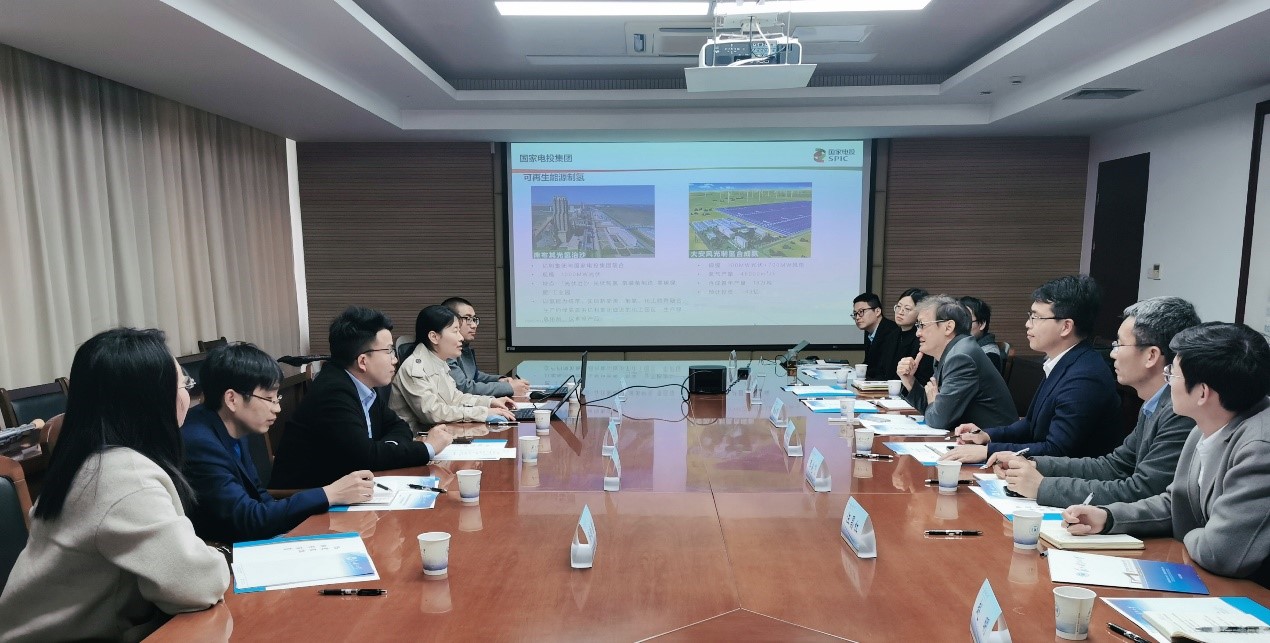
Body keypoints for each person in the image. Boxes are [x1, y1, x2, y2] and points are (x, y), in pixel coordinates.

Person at [0, 328, 229, 642]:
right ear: (151, 399)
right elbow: (197, 585)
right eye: (183, 384)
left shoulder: (89, 460)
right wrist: (220, 557)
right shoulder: (123, 476)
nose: (187, 395)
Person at [1063, 322, 1270, 587]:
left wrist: (1192, 530)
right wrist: (1108, 517)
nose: (1167, 380)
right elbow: (1177, 503)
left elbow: (1220, 552)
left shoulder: (1259, 448)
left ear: (1202, 393)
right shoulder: (1205, 426)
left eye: (1172, 373)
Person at [988, 297, 1200, 506]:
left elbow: (1142, 490)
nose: (1113, 353)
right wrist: (1034, 464)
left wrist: (1042, 487)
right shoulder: (1153, 403)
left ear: (1151, 355)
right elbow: (1114, 466)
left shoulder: (1180, 411)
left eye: (1120, 344)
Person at [181, 343, 375, 543]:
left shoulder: (232, 424)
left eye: (277, 397)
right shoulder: (200, 443)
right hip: (222, 551)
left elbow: (259, 496)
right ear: (232, 399)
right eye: (269, 398)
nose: (277, 408)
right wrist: (330, 494)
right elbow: (248, 520)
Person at [270, 307, 453, 490]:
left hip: (351, 488)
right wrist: (428, 447)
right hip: (308, 498)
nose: (395, 359)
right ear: (363, 361)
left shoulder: (364, 387)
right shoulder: (333, 392)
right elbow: (365, 458)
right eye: (389, 351)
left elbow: (399, 427)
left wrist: (382, 449)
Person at [943, 275, 1121, 462]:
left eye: (1036, 317)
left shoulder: (1084, 377)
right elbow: (1030, 424)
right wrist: (987, 436)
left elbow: (1056, 449)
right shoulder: (1064, 361)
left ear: (1066, 326)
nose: (1028, 324)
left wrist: (988, 451)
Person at [896, 295, 1016, 431]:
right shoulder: (952, 351)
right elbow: (933, 409)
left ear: (948, 327)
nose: (917, 333)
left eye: (922, 325)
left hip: (993, 439)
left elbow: (938, 419)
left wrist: (934, 403)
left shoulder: (961, 358)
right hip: (969, 436)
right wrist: (909, 381)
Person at [392, 305, 518, 429]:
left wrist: (489, 402)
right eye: (455, 331)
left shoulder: (438, 362)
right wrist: (483, 413)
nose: (461, 337)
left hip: (440, 433)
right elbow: (433, 413)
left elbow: (455, 398)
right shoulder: (414, 368)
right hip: (416, 438)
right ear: (434, 337)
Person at [442, 297, 531, 397]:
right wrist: (509, 388)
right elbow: (463, 387)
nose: (474, 325)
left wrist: (500, 380)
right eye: (468, 319)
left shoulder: (464, 347)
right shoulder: (446, 350)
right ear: (451, 321)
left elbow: (474, 375)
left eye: (474, 319)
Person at [852, 292, 903, 381]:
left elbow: (883, 371)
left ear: (877, 311)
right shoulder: (870, 332)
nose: (857, 317)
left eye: (861, 312)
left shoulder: (891, 332)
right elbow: (869, 364)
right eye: (855, 314)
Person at [893, 287, 934, 388]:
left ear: (920, 313)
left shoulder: (922, 339)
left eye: (907, 309)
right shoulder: (892, 335)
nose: (900, 312)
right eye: (898, 307)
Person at [958, 296, 1002, 371]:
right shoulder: (963, 345)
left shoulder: (990, 355)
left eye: (966, 321)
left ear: (982, 324)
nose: (961, 327)